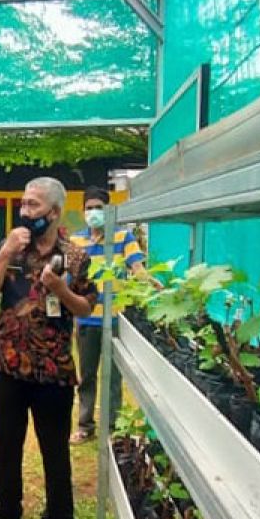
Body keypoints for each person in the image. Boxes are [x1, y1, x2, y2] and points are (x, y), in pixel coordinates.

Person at [0, 177, 97, 519]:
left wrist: (61, 290)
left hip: (52, 368)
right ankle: (6, 513)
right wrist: (4, 252)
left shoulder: (76, 257)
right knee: (7, 445)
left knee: (54, 449)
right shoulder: (13, 246)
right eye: (24, 205)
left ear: (54, 213)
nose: (25, 212)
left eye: (33, 206)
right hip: (8, 361)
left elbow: (86, 308)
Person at [69, 186, 157, 444]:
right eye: (89, 208)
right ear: (83, 211)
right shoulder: (76, 241)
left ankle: (112, 428)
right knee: (86, 375)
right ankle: (85, 425)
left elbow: (137, 267)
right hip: (85, 319)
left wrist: (148, 282)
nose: (93, 212)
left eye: (99, 207)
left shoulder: (123, 237)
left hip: (115, 319)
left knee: (113, 376)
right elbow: (68, 276)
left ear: (109, 211)